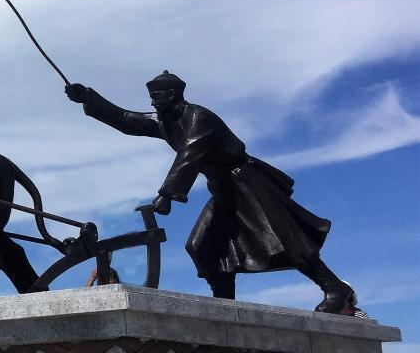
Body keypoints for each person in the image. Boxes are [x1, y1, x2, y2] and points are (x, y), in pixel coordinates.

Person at [65, 72, 354, 309]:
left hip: (246, 182)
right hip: (222, 188)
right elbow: (127, 119)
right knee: (201, 246)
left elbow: (190, 153)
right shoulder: (164, 121)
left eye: (158, 95)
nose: (153, 101)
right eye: (151, 96)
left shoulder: (196, 118)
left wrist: (167, 194)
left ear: (175, 94)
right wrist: (88, 98)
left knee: (286, 239)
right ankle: (225, 305)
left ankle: (334, 289)